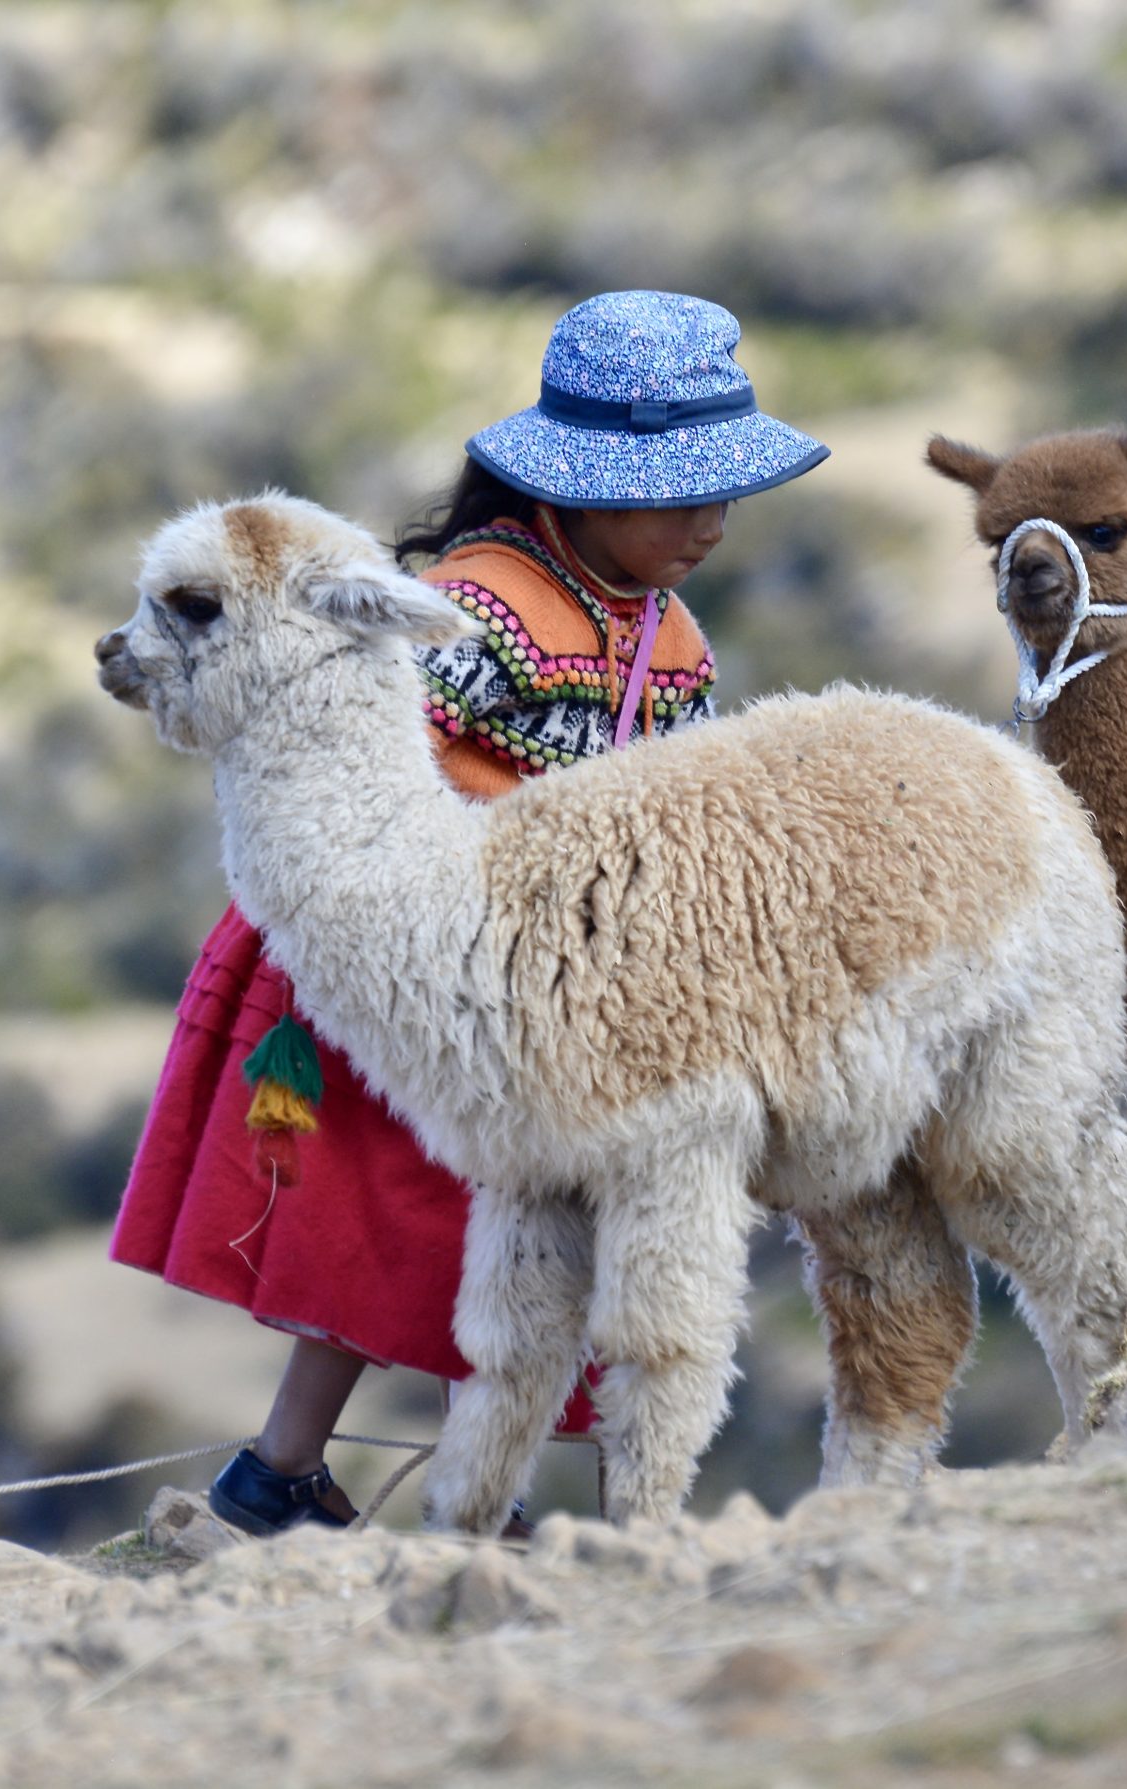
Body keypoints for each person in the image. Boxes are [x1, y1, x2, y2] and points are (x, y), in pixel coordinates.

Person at [109, 290, 828, 1535]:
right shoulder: (479, 609)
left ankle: (520, 1502)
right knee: (400, 1218)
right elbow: (357, 756)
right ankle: (298, 1474)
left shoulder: (664, 633)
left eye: (722, 496)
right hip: (418, 959)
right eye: (677, 495)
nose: (709, 525)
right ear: (577, 486)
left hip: (562, 986)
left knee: (572, 1230)